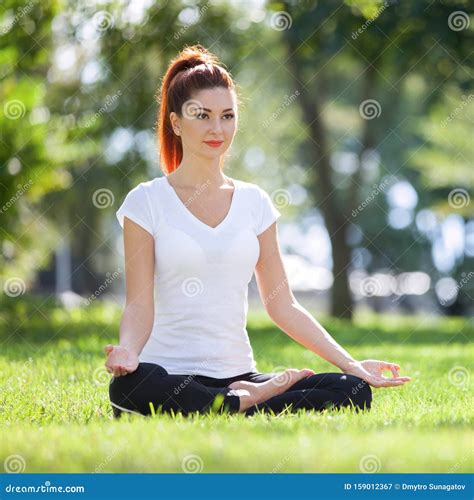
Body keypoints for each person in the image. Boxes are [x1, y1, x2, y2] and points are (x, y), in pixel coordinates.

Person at [105, 44, 411, 419]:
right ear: (175, 122)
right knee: (130, 385)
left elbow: (282, 304)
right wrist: (128, 351)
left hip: (240, 374)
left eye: (227, 116)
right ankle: (246, 402)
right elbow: (139, 303)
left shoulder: (255, 202)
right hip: (169, 375)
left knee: (351, 391)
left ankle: (232, 401)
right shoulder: (146, 201)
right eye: (202, 115)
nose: (217, 129)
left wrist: (352, 365)